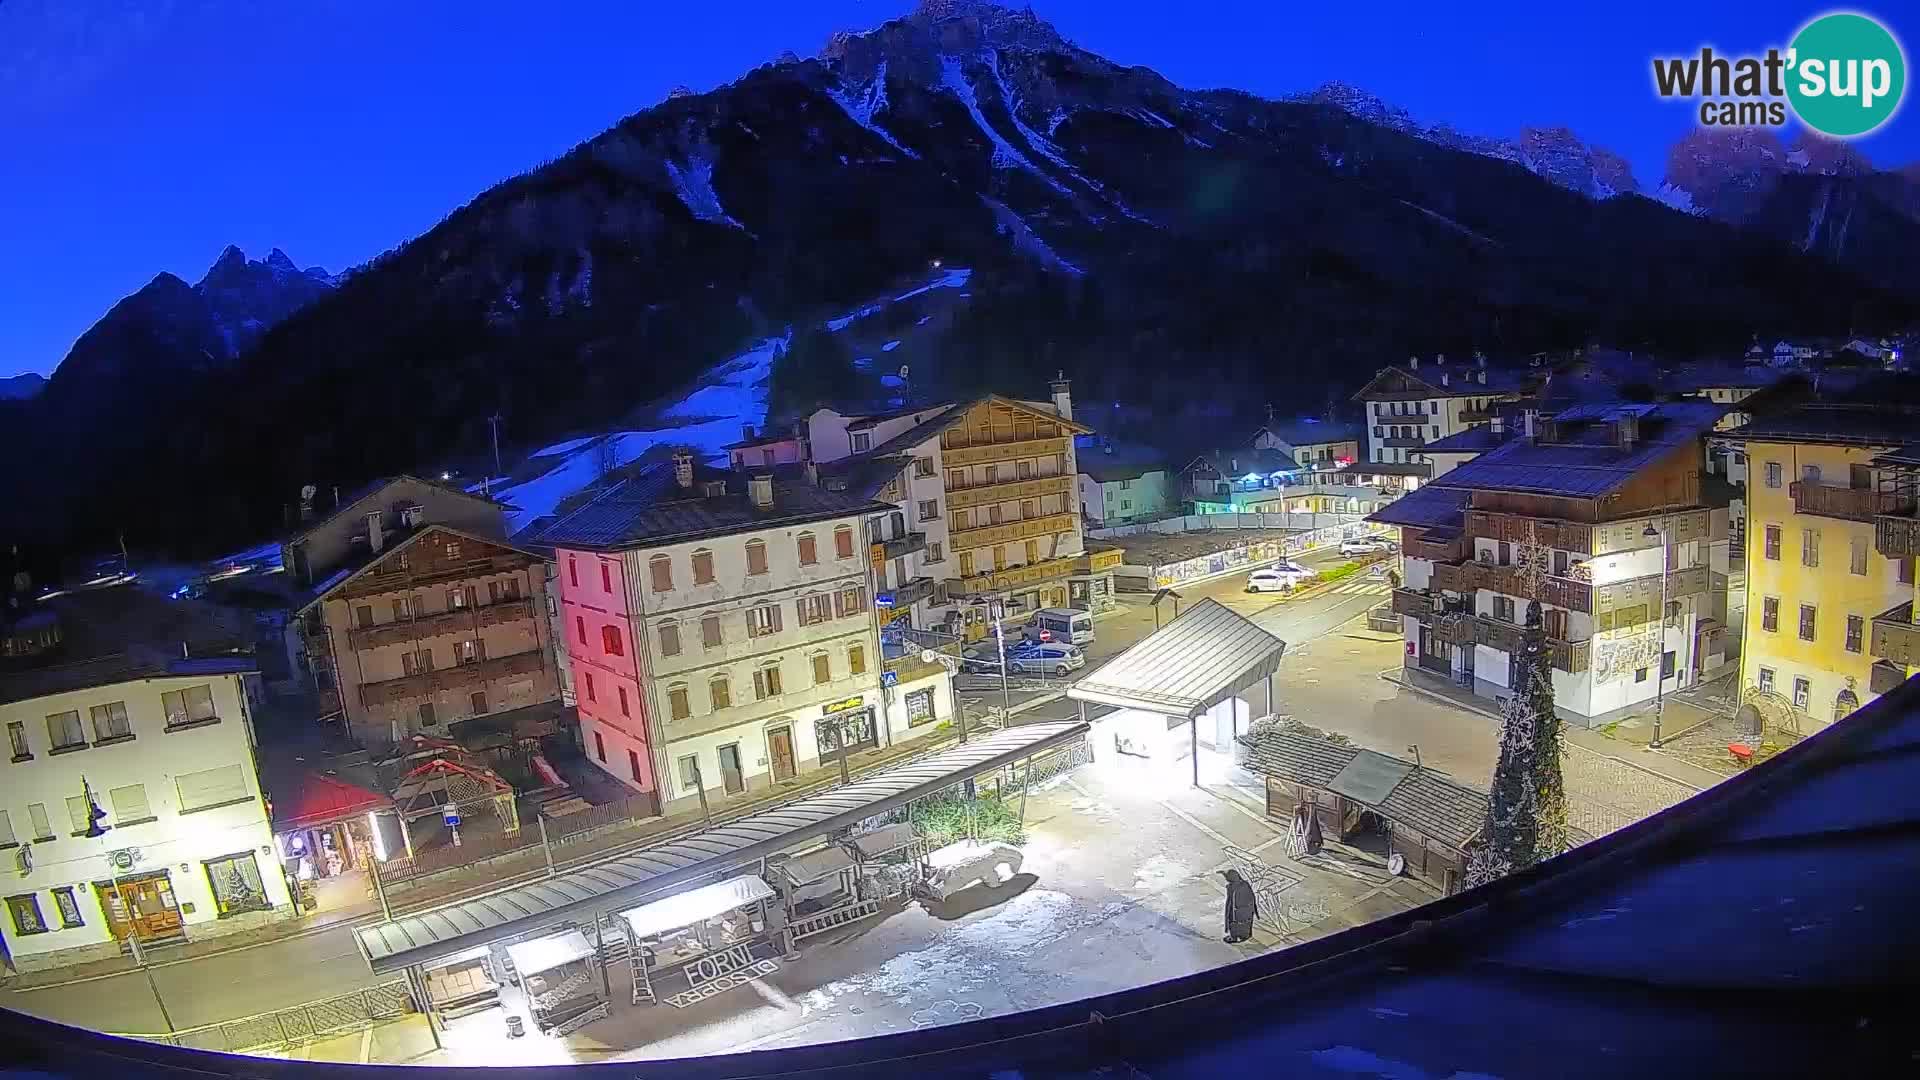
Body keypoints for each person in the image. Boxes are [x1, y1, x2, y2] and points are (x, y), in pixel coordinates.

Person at [1220, 869, 1256, 943]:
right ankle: (1246, 935)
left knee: (1234, 922)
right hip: (1248, 912)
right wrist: (1255, 910)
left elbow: (1229, 904)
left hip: (1236, 913)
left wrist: (1227, 922)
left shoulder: (1232, 888)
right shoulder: (1245, 884)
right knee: (1246, 922)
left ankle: (1234, 938)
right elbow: (1253, 898)